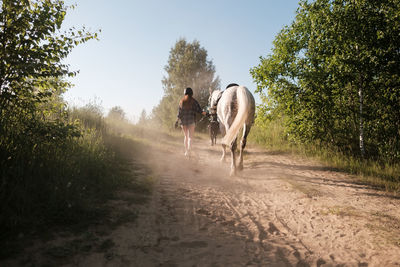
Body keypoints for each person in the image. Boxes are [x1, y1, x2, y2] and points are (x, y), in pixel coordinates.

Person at [175, 87, 206, 156]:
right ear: (192, 93)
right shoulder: (194, 101)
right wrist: (206, 113)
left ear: (185, 93)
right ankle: (189, 150)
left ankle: (186, 152)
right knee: (190, 137)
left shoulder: (181, 102)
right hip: (191, 121)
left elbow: (179, 114)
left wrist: (176, 121)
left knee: (186, 136)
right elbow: (200, 111)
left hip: (183, 122)